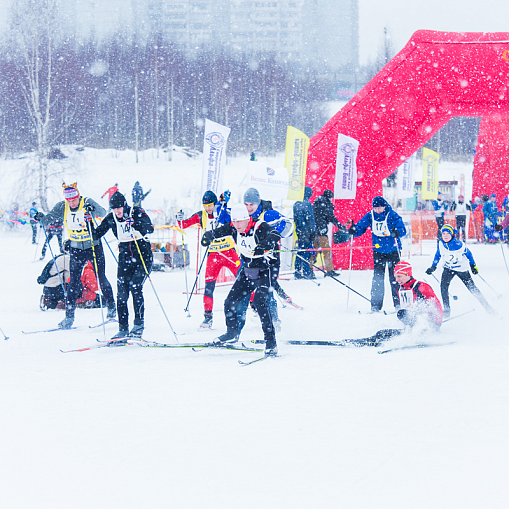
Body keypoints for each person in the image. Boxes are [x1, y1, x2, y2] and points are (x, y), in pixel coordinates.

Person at [201, 203, 281, 356]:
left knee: (259, 301)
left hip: (267, 269)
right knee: (230, 301)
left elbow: (275, 235)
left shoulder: (259, 226)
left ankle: (271, 342)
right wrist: (208, 236)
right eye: (234, 221)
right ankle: (231, 334)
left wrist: (264, 244)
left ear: (247, 219)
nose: (236, 225)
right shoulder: (233, 228)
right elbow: (218, 232)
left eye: (239, 221)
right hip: (249, 269)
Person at [34, 182, 116, 329]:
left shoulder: (87, 202)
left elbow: (103, 213)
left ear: (78, 197)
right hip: (76, 248)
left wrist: (92, 210)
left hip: (93, 246)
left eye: (74, 200)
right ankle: (69, 317)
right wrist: (41, 217)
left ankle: (111, 307)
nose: (71, 203)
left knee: (101, 277)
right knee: (73, 282)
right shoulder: (62, 206)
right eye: (69, 200)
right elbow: (48, 220)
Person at [95, 191, 154, 341]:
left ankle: (138, 325)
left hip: (143, 258)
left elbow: (150, 228)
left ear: (124, 205)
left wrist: (135, 223)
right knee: (121, 294)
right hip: (125, 260)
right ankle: (122, 328)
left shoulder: (137, 212)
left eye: (119, 208)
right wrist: (89, 221)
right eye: (114, 209)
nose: (117, 212)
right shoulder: (111, 218)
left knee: (135, 286)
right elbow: (97, 233)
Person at [176, 190, 240, 329]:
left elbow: (234, 221)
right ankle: (208, 317)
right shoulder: (201, 215)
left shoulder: (223, 211)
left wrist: (225, 204)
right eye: (205, 205)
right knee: (209, 287)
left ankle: (254, 306)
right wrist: (179, 218)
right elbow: (183, 225)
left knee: (243, 280)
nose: (208, 208)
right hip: (213, 254)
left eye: (210, 205)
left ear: (215, 203)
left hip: (229, 252)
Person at [349, 196, 406, 313]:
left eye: (379, 208)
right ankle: (375, 306)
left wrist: (397, 232)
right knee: (378, 279)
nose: (377, 210)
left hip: (393, 250)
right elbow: (361, 226)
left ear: (384, 206)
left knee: (395, 278)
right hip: (378, 250)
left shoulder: (392, 214)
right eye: (375, 208)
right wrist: (354, 230)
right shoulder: (370, 215)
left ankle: (398, 305)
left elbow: (402, 228)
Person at [426, 224, 494, 319]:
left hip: (462, 269)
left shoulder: (459, 245)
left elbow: (469, 254)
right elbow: (438, 255)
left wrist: (473, 266)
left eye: (447, 233)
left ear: (452, 234)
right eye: (443, 233)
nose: (445, 236)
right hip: (448, 268)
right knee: (443, 287)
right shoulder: (440, 244)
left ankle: (488, 307)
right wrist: (433, 267)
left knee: (472, 288)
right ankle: (447, 309)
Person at [312, 189, 342, 277]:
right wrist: (340, 226)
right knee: (327, 251)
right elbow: (331, 217)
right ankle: (329, 270)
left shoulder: (316, 203)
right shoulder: (326, 204)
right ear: (329, 197)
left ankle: (308, 269)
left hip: (313, 231)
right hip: (322, 232)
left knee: (314, 251)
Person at [37, 240, 70, 310]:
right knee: (76, 285)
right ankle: (62, 302)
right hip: (55, 288)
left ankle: (49, 300)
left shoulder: (60, 256)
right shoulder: (66, 259)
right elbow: (76, 273)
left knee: (53, 304)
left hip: (49, 288)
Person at [293, 186, 317, 280]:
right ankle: (307, 273)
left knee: (300, 251)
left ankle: (297, 272)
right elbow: (310, 220)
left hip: (299, 231)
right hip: (307, 231)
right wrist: (313, 232)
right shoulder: (308, 204)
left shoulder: (296, 204)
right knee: (306, 252)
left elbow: (295, 219)